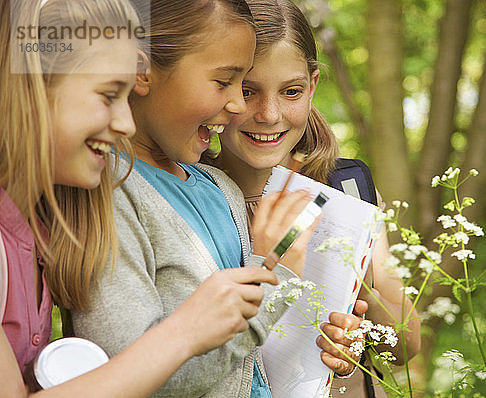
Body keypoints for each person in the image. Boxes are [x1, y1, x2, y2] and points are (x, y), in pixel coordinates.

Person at [0, 0, 279, 397]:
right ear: (30, 91)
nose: (125, 121)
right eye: (108, 93)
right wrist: (185, 331)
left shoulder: (29, 236)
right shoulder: (102, 198)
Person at [70, 1, 319, 397]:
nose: (238, 104)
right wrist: (276, 276)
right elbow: (134, 378)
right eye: (224, 83)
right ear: (143, 71)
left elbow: (241, 362)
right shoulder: (109, 192)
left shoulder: (220, 187)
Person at [207, 0, 422, 396]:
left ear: (313, 85)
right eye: (248, 91)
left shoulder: (349, 188)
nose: (269, 114)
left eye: (291, 91)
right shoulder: (195, 196)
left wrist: (357, 335)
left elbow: (404, 347)